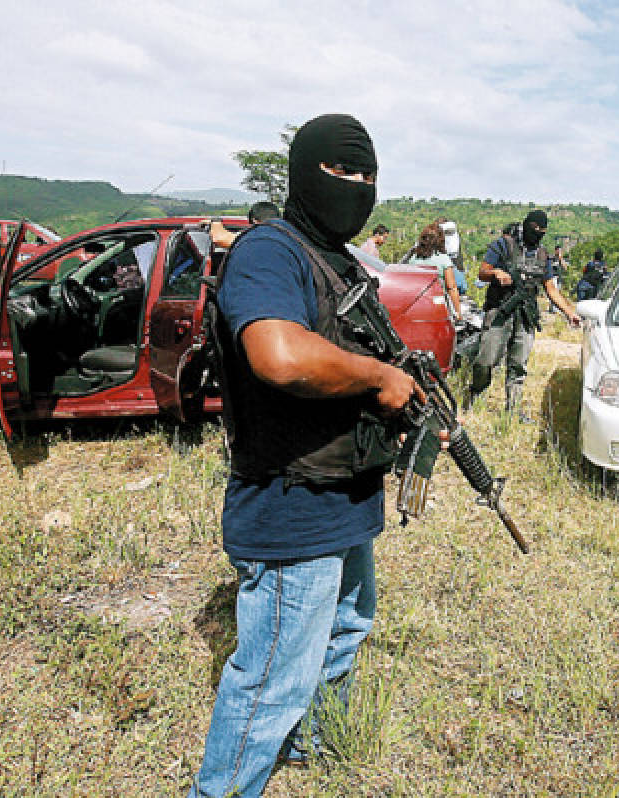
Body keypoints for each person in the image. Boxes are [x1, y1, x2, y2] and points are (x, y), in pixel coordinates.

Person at [192, 114, 420, 798]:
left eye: (368, 176)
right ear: (303, 173)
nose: (356, 187)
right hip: (291, 503)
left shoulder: (339, 262)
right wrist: (380, 379)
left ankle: (312, 748)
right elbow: (280, 354)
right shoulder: (271, 251)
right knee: (271, 679)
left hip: (343, 496)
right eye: (342, 172)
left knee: (346, 630)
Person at [467, 210, 580, 418]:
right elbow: (482, 271)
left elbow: (551, 289)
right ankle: (475, 396)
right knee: (486, 360)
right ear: (527, 225)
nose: (538, 234)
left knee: (518, 366)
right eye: (535, 229)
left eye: (542, 231)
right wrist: (496, 273)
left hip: (526, 315)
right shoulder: (503, 245)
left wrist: (569, 312)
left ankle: (513, 411)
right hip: (500, 310)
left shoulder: (543, 255)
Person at [408, 222, 462, 320]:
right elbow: (452, 288)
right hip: (437, 305)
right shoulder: (443, 259)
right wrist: (458, 313)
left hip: (416, 305)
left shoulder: (413, 258)